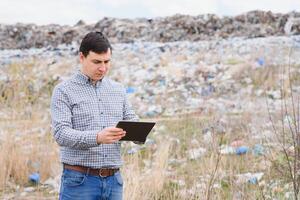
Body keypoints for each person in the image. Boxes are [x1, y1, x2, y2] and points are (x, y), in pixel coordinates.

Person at [50, 31, 138, 200]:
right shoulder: (63, 91)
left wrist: (139, 132)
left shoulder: (118, 90)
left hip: (114, 182)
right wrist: (97, 137)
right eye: (97, 62)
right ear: (82, 57)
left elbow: (130, 119)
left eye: (107, 62)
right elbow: (61, 134)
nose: (103, 68)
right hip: (79, 182)